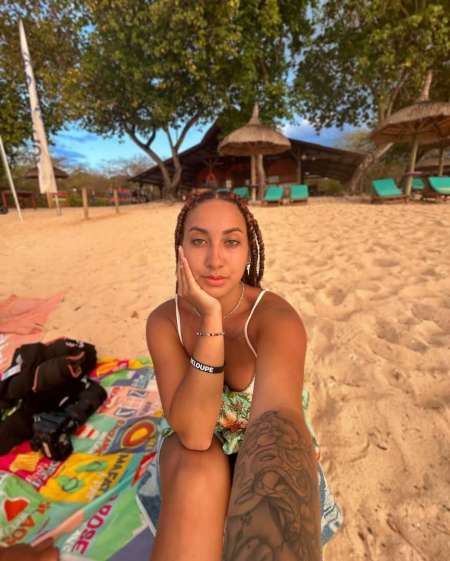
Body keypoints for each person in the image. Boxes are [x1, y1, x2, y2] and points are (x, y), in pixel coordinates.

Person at [145, 190, 327, 561]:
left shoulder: (275, 319)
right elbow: (196, 434)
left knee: (269, 481)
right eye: (199, 241)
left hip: (260, 440)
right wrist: (210, 321)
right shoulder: (164, 321)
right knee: (197, 469)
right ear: (180, 249)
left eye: (231, 242)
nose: (215, 260)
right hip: (194, 446)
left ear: (248, 251)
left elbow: (276, 419)